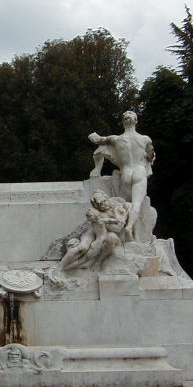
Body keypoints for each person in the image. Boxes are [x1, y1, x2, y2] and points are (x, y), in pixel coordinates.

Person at [88, 111, 155, 241]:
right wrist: (149, 157)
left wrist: (93, 136)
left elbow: (98, 142)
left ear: (123, 122)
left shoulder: (116, 139)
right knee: (136, 204)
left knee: (121, 204)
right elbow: (151, 155)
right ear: (136, 121)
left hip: (126, 172)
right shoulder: (145, 139)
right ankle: (129, 227)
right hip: (139, 171)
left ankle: (120, 228)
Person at [58, 190, 129, 272]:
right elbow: (94, 224)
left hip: (107, 234)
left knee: (111, 238)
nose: (102, 205)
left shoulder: (117, 207)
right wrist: (105, 221)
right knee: (82, 247)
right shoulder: (95, 212)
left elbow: (118, 228)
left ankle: (97, 262)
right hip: (94, 231)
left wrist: (106, 220)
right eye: (99, 204)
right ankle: (60, 267)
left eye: (104, 201)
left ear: (107, 198)